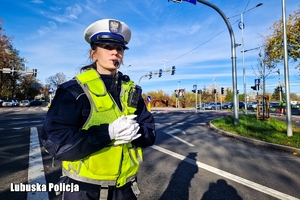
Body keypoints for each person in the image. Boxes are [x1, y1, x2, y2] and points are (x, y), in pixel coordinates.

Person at [40, 19, 156, 200]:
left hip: (125, 189)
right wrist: (107, 133)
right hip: (84, 190)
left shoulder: (132, 91)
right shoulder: (73, 91)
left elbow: (150, 131)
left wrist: (138, 132)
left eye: (119, 48)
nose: (115, 52)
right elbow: (55, 142)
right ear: (93, 53)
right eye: (107, 47)